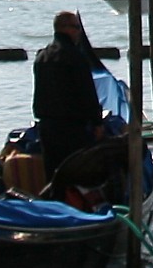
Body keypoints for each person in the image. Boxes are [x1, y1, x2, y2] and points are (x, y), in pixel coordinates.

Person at [32, 10, 106, 173]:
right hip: (72, 129)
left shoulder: (42, 56)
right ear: (67, 29)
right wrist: (97, 123)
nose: (79, 32)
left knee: (52, 175)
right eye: (77, 27)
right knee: (76, 173)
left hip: (47, 126)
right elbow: (87, 93)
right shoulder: (75, 57)